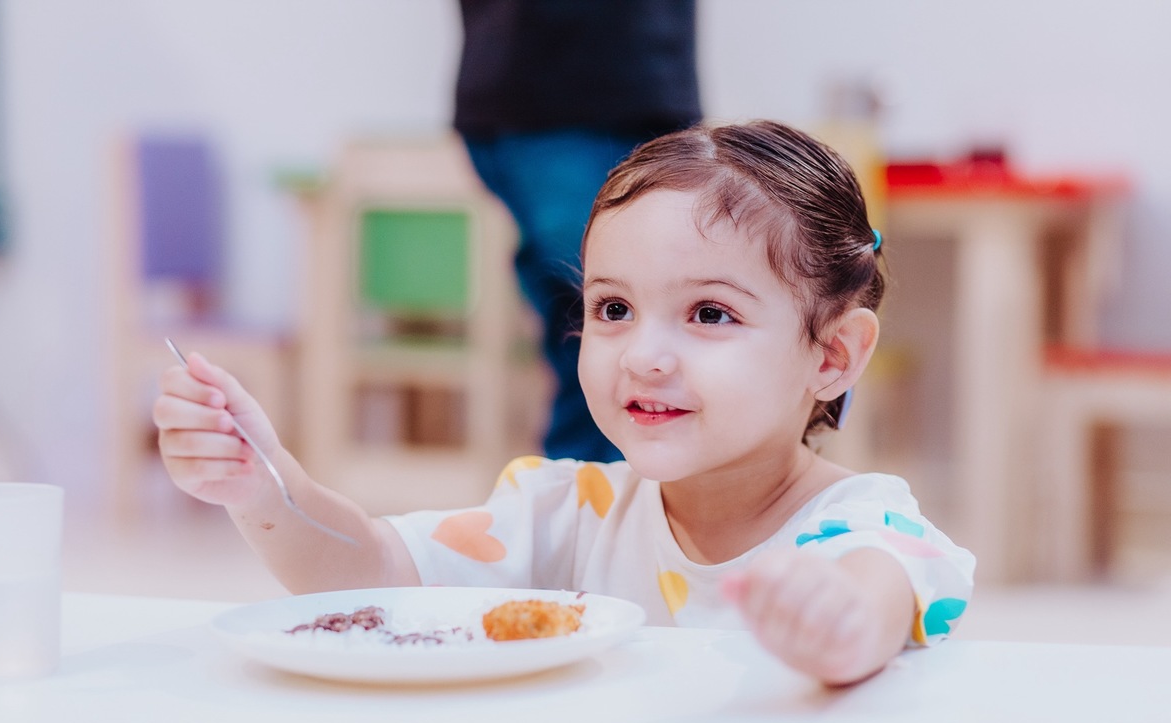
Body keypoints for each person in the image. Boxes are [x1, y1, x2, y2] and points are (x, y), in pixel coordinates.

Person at [154, 120, 975, 686]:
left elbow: (875, 597)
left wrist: (834, 624)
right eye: (613, 310)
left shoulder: (866, 525)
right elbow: (372, 570)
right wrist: (262, 486)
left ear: (832, 355)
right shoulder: (567, 510)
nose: (644, 357)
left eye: (710, 314)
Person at [454, 0, 702, 462]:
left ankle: (584, 506)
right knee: (611, 325)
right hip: (573, 94)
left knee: (596, 326)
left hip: (584, 89)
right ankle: (594, 509)